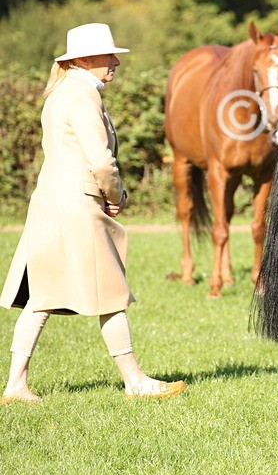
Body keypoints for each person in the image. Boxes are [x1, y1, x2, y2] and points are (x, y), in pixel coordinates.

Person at [1, 24, 186, 403]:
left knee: (42, 296)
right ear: (85, 60)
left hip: (50, 202)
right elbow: (100, 159)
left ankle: (15, 385)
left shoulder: (59, 93)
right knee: (110, 293)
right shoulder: (84, 95)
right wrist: (116, 194)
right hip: (78, 206)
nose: (116, 61)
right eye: (109, 55)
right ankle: (135, 382)